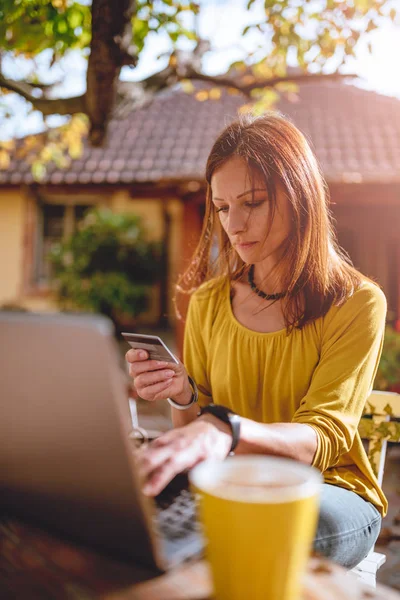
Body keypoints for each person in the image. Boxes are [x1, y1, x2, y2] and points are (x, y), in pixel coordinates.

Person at [126, 112, 387, 569]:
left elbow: (321, 437)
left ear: (300, 195)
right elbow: (192, 430)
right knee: (134, 512)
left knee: (255, 529)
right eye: (223, 208)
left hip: (330, 490)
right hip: (230, 480)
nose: (234, 225)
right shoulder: (209, 300)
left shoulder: (357, 302)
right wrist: (184, 394)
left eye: (253, 202)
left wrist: (226, 428)